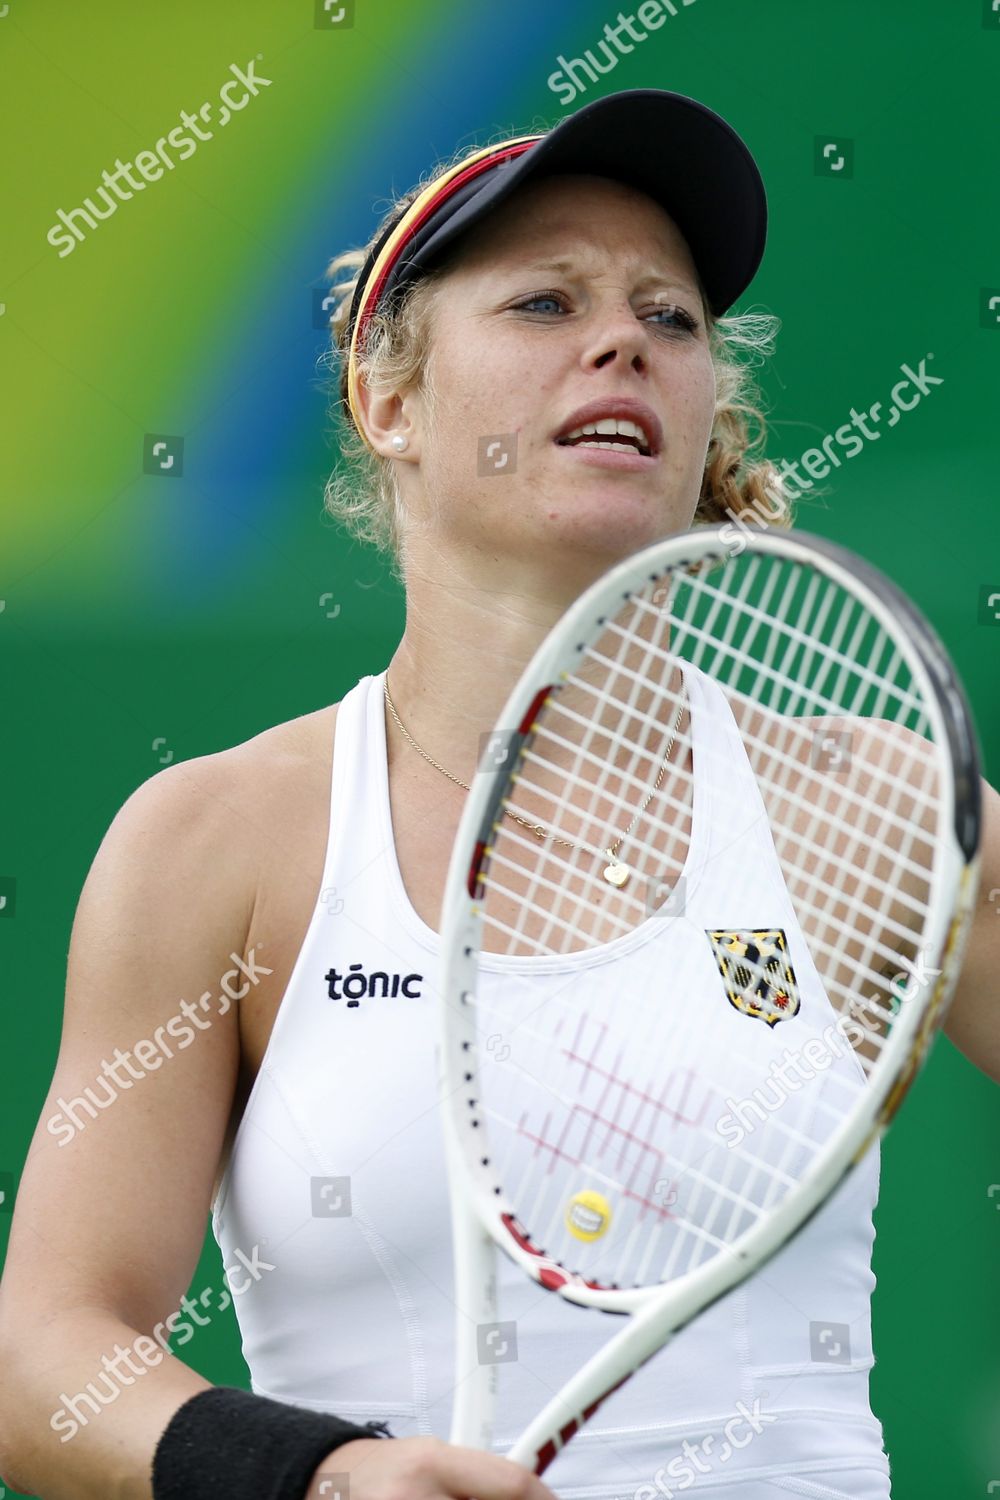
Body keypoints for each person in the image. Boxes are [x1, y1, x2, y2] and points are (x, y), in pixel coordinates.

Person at [1, 87, 998, 1500]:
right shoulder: (210, 844)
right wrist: (325, 1477)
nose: (622, 342)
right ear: (389, 401)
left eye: (670, 319)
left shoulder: (882, 804)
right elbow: (44, 1358)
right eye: (544, 303)